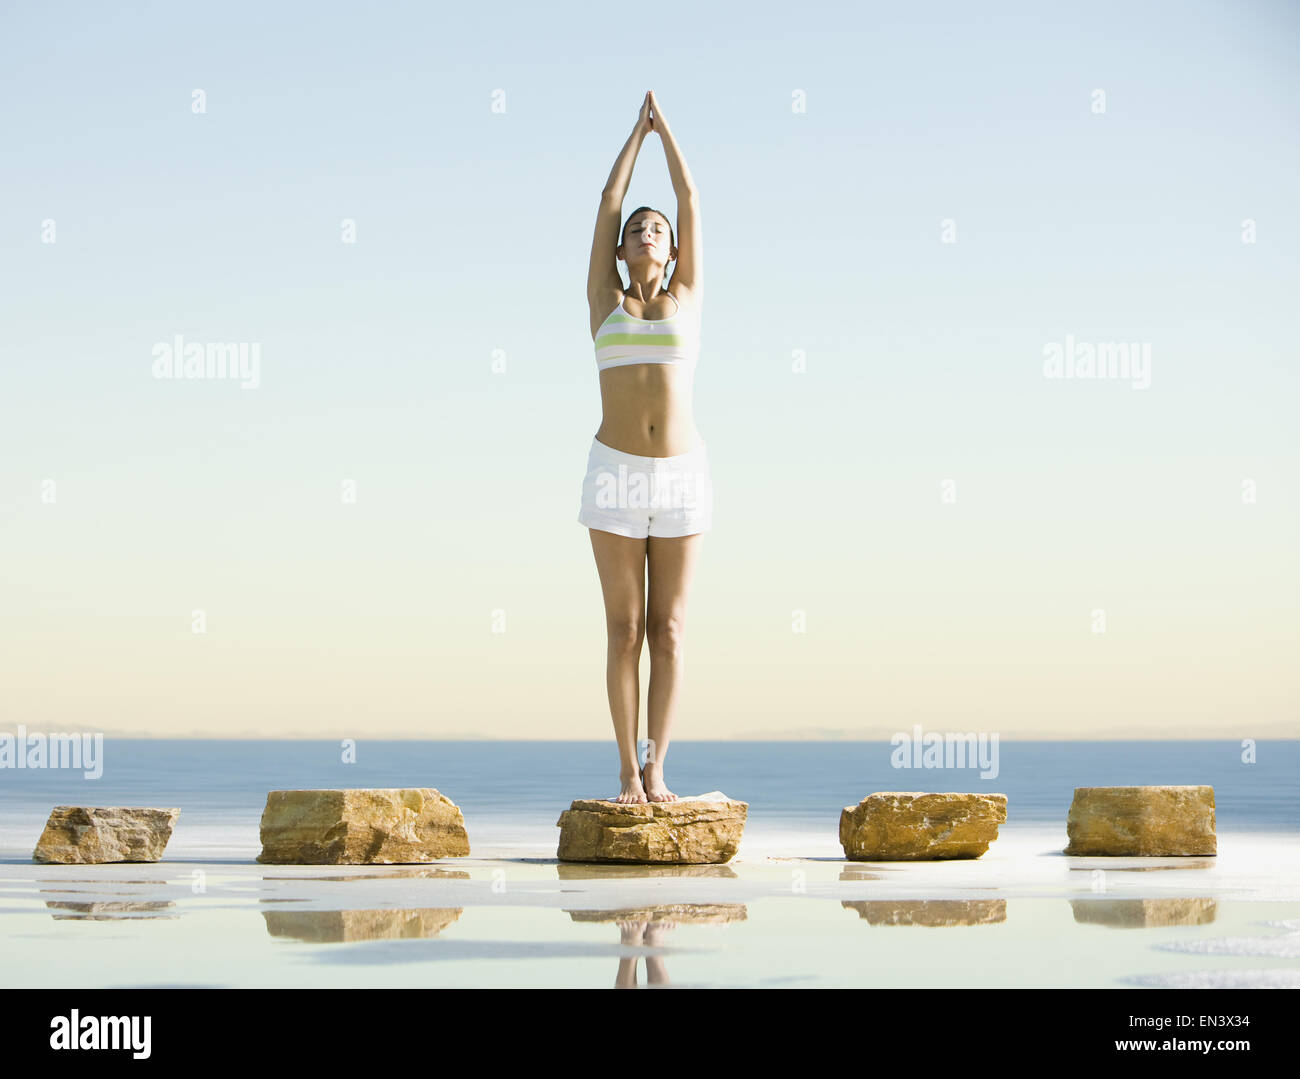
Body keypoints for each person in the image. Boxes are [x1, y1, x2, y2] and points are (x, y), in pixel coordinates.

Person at [580, 90, 709, 804]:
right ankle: (626, 770)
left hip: (683, 477)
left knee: (670, 629)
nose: (648, 232)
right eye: (638, 229)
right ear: (625, 250)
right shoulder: (606, 300)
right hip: (616, 476)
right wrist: (636, 134)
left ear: (673, 247)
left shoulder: (688, 296)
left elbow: (689, 195)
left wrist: (669, 135)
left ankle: (658, 767)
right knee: (625, 627)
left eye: (658, 228)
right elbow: (608, 200)